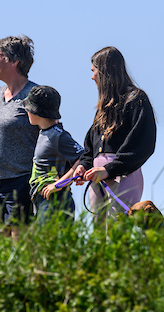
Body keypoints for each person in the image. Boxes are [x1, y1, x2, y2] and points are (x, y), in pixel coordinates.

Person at [66, 46, 157, 220]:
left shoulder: (136, 99)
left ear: (106, 72)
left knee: (117, 231)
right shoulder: (104, 106)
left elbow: (142, 144)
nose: (92, 76)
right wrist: (84, 166)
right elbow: (91, 145)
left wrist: (109, 169)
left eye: (94, 71)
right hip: (97, 177)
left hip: (123, 175)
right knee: (98, 232)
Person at [0, 35, 39, 225]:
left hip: (20, 181)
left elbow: (51, 134)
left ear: (14, 61)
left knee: (20, 245)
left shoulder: (35, 95)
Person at [23, 85, 85, 223]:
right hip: (43, 201)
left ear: (36, 112)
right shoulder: (45, 133)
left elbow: (83, 157)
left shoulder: (58, 135)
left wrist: (59, 184)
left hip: (55, 202)